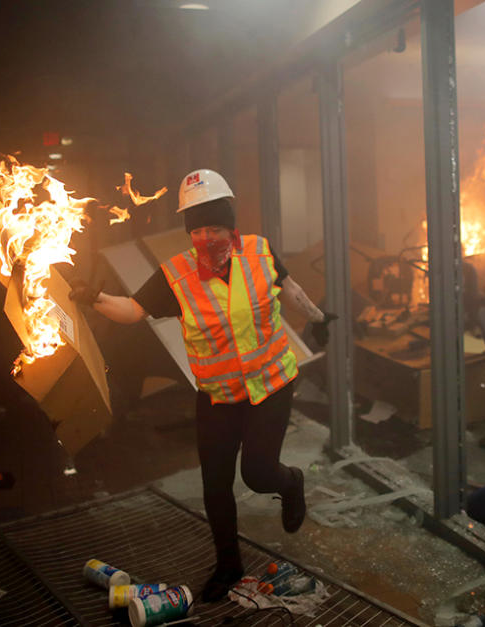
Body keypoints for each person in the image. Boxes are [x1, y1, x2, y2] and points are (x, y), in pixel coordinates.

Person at [70, 169, 336, 602]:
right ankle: (229, 566)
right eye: (198, 230)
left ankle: (290, 484)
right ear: (189, 234)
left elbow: (290, 288)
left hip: (270, 385)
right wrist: (94, 298)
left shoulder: (260, 253)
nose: (207, 238)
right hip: (218, 396)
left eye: (215, 227)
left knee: (257, 473)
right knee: (215, 484)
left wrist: (320, 319)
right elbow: (134, 310)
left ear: (232, 226)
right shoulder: (176, 276)